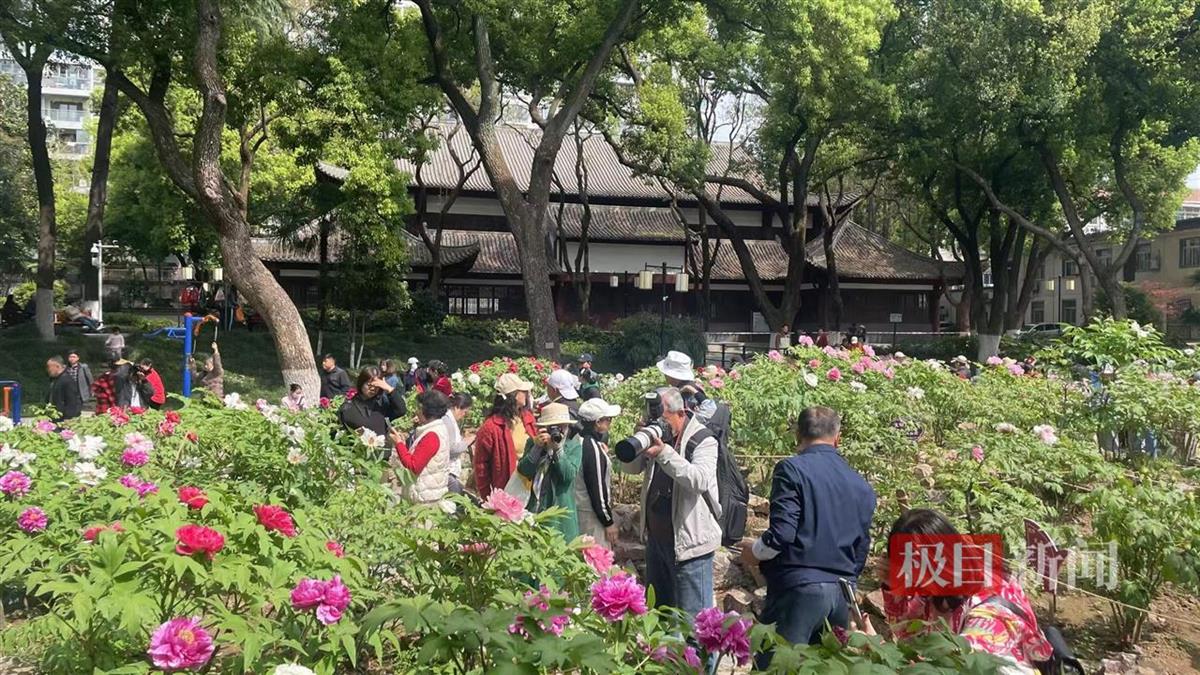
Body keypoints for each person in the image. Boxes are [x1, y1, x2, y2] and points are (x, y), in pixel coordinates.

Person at [741, 407, 877, 664]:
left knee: (778, 667)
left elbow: (782, 533)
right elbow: (861, 547)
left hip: (797, 589)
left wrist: (755, 552)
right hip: (841, 592)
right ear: (838, 438)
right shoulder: (861, 485)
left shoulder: (791, 469)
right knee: (825, 668)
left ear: (797, 434)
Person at [863, 509, 1053, 673]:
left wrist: (879, 650)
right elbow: (910, 635)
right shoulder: (942, 584)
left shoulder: (991, 611)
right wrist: (892, 588)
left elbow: (952, 668)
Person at [618, 386, 721, 619]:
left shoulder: (703, 440)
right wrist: (638, 441)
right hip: (656, 543)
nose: (660, 425)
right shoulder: (658, 438)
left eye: (664, 420)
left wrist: (664, 453)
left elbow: (700, 480)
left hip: (690, 547)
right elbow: (630, 470)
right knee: (659, 618)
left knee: (693, 623)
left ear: (681, 413)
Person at [515, 402, 583, 541]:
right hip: (535, 508)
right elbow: (523, 471)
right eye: (552, 427)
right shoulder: (533, 443)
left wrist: (558, 450)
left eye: (562, 427)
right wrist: (536, 448)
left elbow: (568, 475)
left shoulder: (574, 446)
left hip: (560, 516)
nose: (558, 431)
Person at [473, 373, 537, 498]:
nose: (527, 393)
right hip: (508, 489)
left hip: (531, 487)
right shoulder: (491, 427)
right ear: (514, 395)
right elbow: (481, 465)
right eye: (523, 391)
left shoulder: (528, 418)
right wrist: (487, 496)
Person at [656, 351, 732, 455]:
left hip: (690, 444)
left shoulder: (687, 392)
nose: (665, 375)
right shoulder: (685, 388)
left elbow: (704, 413)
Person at [389, 390, 454, 508]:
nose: (416, 411)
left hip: (425, 499)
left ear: (427, 411)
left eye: (419, 408)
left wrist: (398, 444)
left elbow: (414, 466)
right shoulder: (438, 429)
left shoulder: (432, 435)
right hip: (428, 493)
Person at [576, 397, 622, 549]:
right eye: (608, 419)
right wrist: (608, 522)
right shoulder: (591, 447)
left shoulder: (578, 440)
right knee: (597, 557)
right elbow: (597, 488)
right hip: (592, 515)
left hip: (580, 510)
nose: (610, 423)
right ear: (597, 422)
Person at [338, 366, 408, 441]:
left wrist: (389, 389)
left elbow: (401, 410)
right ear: (361, 383)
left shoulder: (381, 405)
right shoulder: (348, 407)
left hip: (380, 447)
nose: (372, 388)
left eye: (376, 386)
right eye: (369, 385)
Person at [443, 392, 475, 496]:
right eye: (465, 412)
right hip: (447, 471)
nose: (464, 415)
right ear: (457, 407)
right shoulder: (447, 421)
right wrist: (468, 441)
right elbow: (452, 449)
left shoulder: (450, 420)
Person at [46, 356, 83, 421]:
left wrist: (68, 418)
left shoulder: (67, 380)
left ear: (57, 366)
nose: (47, 370)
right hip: (55, 416)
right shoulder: (56, 379)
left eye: (49, 367)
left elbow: (72, 402)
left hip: (63, 418)